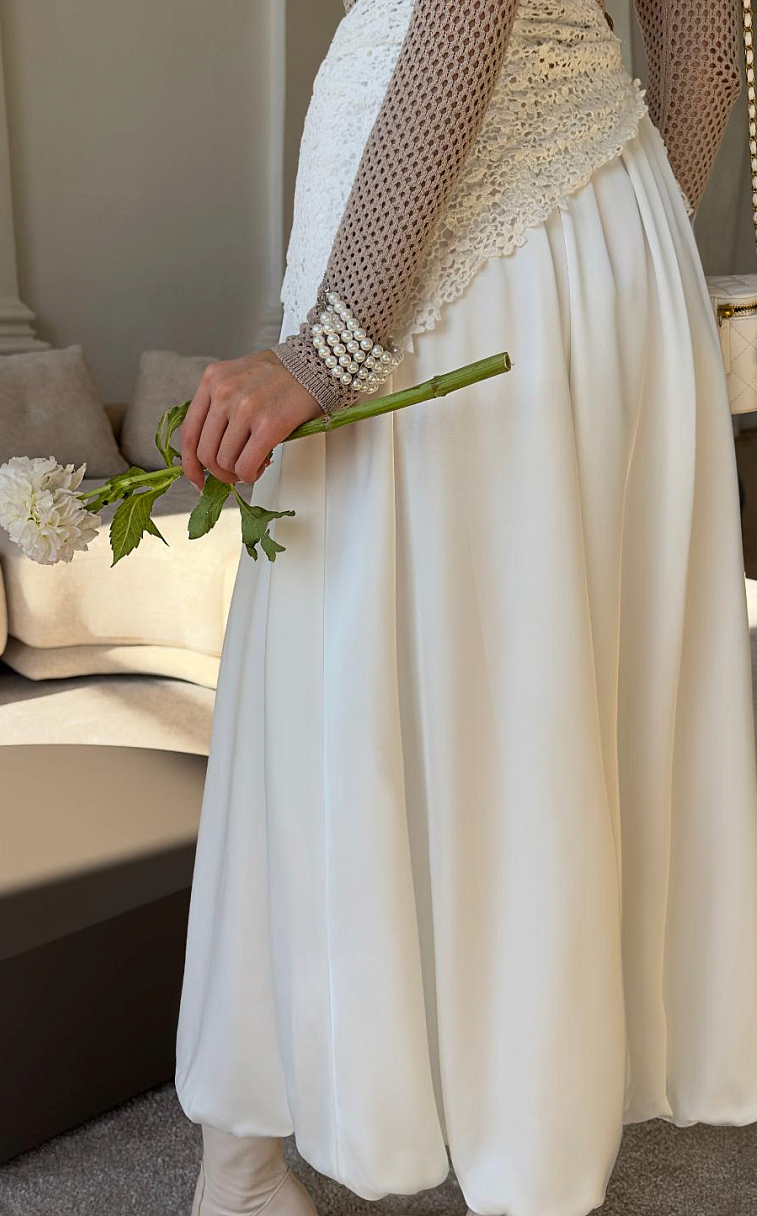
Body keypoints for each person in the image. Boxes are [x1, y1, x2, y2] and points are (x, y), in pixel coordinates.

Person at [175, 2, 757, 1214]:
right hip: (581, 228)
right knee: (546, 681)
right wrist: (623, 210)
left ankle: (252, 1163)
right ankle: (484, 1154)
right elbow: (705, 42)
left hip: (465, 253)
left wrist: (328, 348)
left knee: (352, 671)